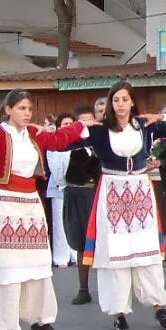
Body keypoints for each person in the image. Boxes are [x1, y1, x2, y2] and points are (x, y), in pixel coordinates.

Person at [81, 82, 166, 330]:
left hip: (139, 191)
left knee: (146, 251)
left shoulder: (145, 125)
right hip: (113, 192)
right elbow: (65, 140)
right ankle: (119, 312)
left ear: (132, 102)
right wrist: (70, 129)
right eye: (116, 100)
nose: (120, 104)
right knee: (117, 253)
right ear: (111, 104)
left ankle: (158, 306)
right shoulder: (99, 131)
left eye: (125, 99)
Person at [0, 90, 87, 330]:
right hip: (4, 202)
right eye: (21, 108)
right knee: (6, 267)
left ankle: (40, 317)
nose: (26, 113)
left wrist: (81, 126)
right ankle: (3, 328)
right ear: (8, 109)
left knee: (38, 263)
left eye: (29, 109)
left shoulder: (33, 134)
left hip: (30, 202)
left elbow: (58, 139)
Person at [62, 105, 101, 304]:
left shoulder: (102, 143)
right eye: (83, 121)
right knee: (80, 242)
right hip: (78, 194)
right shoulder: (71, 146)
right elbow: (70, 174)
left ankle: (111, 288)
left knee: (104, 243)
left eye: (90, 120)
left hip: (97, 193)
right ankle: (83, 289)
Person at [46, 112, 78, 268]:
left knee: (74, 222)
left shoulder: (79, 143)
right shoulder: (53, 144)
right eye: (65, 124)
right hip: (58, 187)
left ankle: (75, 254)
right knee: (59, 223)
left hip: (76, 187)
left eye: (71, 124)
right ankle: (60, 257)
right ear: (59, 127)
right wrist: (63, 181)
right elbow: (53, 167)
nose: (68, 127)